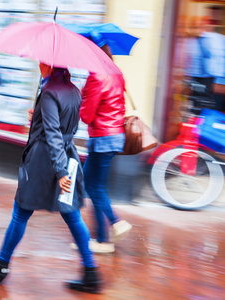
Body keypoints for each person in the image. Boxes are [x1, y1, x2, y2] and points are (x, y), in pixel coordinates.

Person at [0, 64, 102, 294]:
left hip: (45, 162)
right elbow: (66, 126)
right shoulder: (73, 89)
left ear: (50, 65)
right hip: (67, 157)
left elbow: (52, 133)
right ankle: (91, 272)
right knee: (72, 215)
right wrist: (39, 116)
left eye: (42, 61)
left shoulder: (50, 91)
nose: (39, 64)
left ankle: (0, 265)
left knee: (20, 212)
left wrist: (60, 172)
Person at [76, 42, 132, 254]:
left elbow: (86, 115)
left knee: (92, 185)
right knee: (96, 186)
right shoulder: (115, 72)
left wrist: (83, 95)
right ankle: (102, 238)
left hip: (102, 137)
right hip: (114, 135)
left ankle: (114, 224)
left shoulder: (96, 76)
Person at [184, 15, 225, 111]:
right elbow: (185, 63)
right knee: (194, 111)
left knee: (211, 113)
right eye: (193, 27)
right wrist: (186, 82)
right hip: (193, 80)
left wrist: (222, 82)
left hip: (214, 82)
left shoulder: (222, 40)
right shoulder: (188, 41)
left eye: (199, 26)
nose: (196, 29)